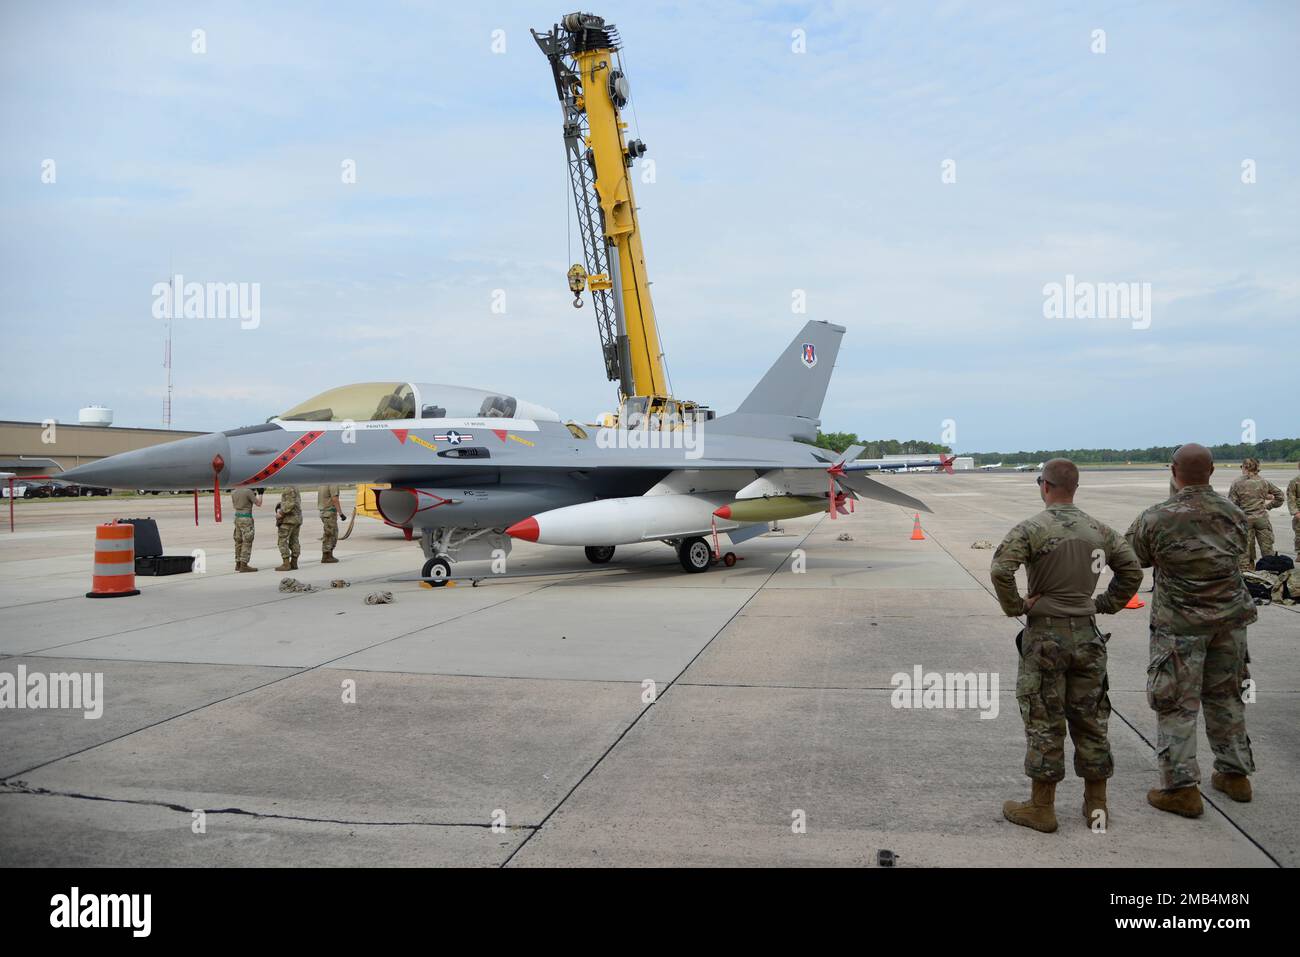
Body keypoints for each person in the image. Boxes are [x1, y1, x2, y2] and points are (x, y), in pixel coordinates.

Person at [990, 458, 1143, 833]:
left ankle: (1042, 808)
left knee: (1045, 720)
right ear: (1074, 487)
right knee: (1091, 720)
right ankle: (1097, 807)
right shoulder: (1100, 530)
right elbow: (1133, 570)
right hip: (1089, 637)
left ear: (1045, 486)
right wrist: (1104, 603)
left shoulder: (1033, 528)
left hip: (1046, 638)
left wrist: (1015, 607)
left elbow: (1000, 569)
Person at [1126, 444, 1257, 817]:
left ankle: (1181, 788)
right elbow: (1236, 554)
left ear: (1173, 470)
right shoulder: (1234, 514)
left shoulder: (1158, 517)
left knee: (1176, 703)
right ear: (1212, 471)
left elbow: (1132, 558)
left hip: (1180, 626)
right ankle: (1235, 775)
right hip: (1230, 624)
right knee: (1227, 696)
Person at [1228, 457, 1283, 571]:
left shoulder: (1237, 483)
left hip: (1245, 520)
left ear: (1244, 467)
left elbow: (1231, 505)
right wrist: (1268, 506)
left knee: (1244, 551)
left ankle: (1247, 574)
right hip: (1261, 519)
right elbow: (1280, 497)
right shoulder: (1264, 482)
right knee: (1267, 549)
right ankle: (1270, 573)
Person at [231, 486, 263, 572]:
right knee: (247, 541)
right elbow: (259, 503)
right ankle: (244, 564)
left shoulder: (234, 491)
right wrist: (260, 494)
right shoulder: (248, 491)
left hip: (237, 517)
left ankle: (238, 563)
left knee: (238, 541)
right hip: (246, 518)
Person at [275, 487, 302, 572]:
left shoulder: (288, 488)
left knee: (282, 541)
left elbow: (290, 504)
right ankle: (294, 562)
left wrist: (281, 513)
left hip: (288, 520)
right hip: (296, 519)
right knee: (294, 540)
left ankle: (286, 563)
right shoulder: (295, 488)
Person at [318, 484, 343, 564]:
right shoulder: (333, 484)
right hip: (329, 511)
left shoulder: (322, 483)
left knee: (329, 533)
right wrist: (341, 513)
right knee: (331, 534)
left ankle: (328, 555)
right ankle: (326, 556)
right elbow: (335, 499)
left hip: (324, 511)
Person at [1286, 462, 1300, 556]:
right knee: (1299, 533)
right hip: (1299, 510)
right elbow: (1291, 498)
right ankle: (1299, 552)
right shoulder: (1294, 481)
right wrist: (1295, 512)